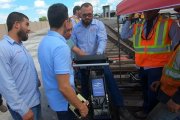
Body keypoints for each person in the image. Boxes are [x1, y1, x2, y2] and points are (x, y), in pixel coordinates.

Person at [72, 2, 136, 120]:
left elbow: (102, 39)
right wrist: (75, 60)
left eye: (89, 14)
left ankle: (120, 106)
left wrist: (98, 54)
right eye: (85, 15)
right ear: (80, 14)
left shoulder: (99, 24)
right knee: (84, 85)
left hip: (98, 59)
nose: (87, 17)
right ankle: (86, 110)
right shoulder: (76, 28)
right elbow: (74, 44)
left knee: (110, 79)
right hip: (83, 62)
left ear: (92, 13)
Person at [120, 9, 180, 118]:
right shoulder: (139, 25)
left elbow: (177, 45)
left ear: (157, 9)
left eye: (149, 11)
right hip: (142, 65)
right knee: (145, 90)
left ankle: (151, 114)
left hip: (158, 65)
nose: (146, 13)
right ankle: (146, 110)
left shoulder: (169, 23)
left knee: (154, 93)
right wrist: (129, 17)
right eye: (145, 11)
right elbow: (123, 35)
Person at [38, 3, 88, 120]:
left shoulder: (44, 42)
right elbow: (64, 87)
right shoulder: (61, 46)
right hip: (64, 103)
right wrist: (80, 106)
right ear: (66, 22)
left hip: (55, 99)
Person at [0, 12, 41, 120]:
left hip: (34, 101)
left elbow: (24, 67)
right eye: (26, 24)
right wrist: (23, 110)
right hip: (24, 108)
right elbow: (5, 84)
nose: (29, 29)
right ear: (17, 24)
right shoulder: (3, 48)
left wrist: (36, 80)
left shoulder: (19, 45)